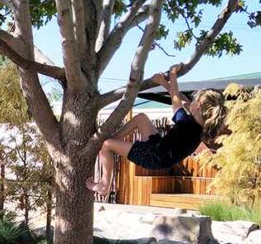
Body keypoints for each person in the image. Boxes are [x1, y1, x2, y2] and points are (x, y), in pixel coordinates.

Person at [86, 64, 228, 196]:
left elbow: (176, 99)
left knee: (106, 145)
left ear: (198, 106)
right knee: (141, 118)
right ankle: (113, 141)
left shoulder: (187, 124)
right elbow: (182, 100)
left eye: (195, 101)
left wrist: (172, 74)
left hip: (153, 157)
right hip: (158, 148)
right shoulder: (197, 126)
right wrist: (163, 82)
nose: (191, 102)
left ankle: (104, 186)